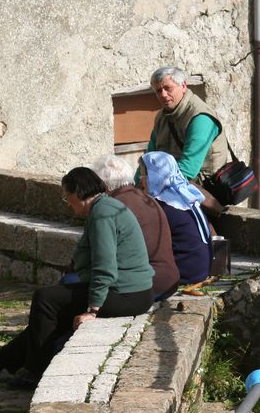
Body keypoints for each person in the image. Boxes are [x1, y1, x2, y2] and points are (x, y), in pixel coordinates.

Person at [0, 167, 154, 389]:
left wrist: (92, 310)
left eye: (66, 196)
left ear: (78, 192)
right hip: (131, 290)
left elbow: (105, 267)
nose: (67, 203)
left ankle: (35, 371)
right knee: (54, 305)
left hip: (128, 294)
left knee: (46, 299)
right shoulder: (104, 207)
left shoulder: (102, 213)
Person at [92, 154, 179, 300]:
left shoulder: (112, 206)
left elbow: (103, 258)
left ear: (104, 185)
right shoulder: (147, 198)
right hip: (170, 280)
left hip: (146, 285)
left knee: (72, 283)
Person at [145, 65, 230, 182]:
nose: (163, 95)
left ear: (183, 86)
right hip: (173, 180)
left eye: (168, 88)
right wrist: (136, 185)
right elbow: (148, 158)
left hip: (204, 185)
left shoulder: (200, 118)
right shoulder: (162, 117)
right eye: (158, 91)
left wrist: (154, 185)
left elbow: (188, 168)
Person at [139, 151, 212, 285]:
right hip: (201, 270)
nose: (140, 181)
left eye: (143, 176)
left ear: (153, 178)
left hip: (183, 273)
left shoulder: (162, 205)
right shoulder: (185, 195)